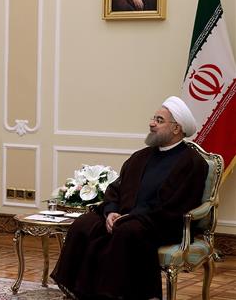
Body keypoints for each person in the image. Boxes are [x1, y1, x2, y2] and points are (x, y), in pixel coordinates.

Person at [51, 96, 209, 300]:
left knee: (126, 232)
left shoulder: (192, 163)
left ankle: (114, 295)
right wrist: (110, 212)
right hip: (126, 217)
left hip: (161, 223)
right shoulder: (141, 157)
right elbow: (115, 189)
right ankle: (79, 291)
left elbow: (175, 206)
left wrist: (129, 218)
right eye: (153, 118)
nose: (152, 123)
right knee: (84, 224)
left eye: (159, 120)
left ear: (176, 128)